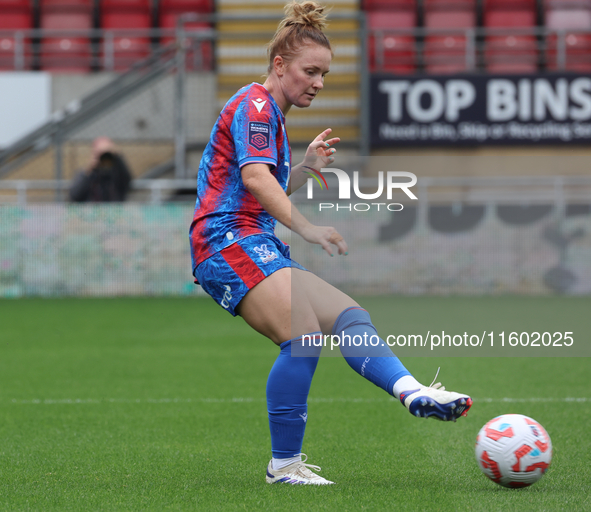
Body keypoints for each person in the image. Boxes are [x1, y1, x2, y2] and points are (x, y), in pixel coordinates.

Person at [190, 0, 472, 486]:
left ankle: (413, 392)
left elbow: (269, 183)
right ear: (280, 66)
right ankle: (283, 467)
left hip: (250, 239)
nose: (318, 83)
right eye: (310, 71)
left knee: (347, 315)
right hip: (226, 239)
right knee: (303, 339)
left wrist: (305, 169)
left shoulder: (272, 116)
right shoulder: (255, 105)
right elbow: (256, 181)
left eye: (324, 74)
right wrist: (308, 228)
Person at [69, 137, 132, 203]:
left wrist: (117, 155)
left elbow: (127, 180)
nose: (104, 159)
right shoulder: (88, 173)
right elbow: (75, 196)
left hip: (113, 212)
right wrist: (89, 169)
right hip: (91, 211)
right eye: (100, 154)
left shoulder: (116, 173)